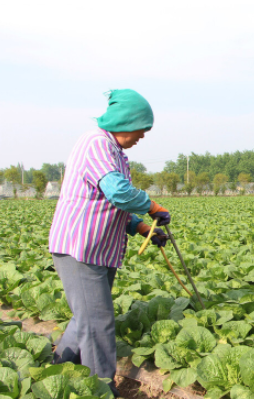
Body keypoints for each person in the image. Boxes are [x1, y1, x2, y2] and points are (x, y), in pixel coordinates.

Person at [48, 89, 171, 397]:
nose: (142, 136)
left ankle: (58, 363)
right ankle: (102, 389)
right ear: (125, 122)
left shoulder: (117, 153)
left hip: (98, 249)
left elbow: (110, 205)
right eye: (141, 130)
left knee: (87, 317)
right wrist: (151, 206)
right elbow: (118, 192)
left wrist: (142, 227)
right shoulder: (96, 143)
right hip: (80, 247)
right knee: (99, 323)